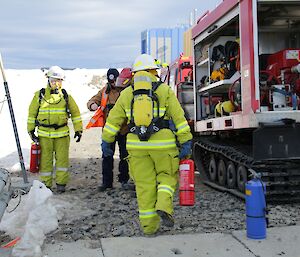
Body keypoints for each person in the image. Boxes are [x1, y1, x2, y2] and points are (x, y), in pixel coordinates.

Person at [101, 54, 193, 235]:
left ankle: (149, 227)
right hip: (163, 145)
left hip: (136, 146)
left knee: (144, 186)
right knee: (167, 176)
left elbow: (113, 120)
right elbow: (179, 118)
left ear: (134, 73)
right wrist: (185, 141)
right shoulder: (164, 90)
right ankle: (164, 205)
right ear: (153, 71)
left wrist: (107, 141)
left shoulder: (127, 93)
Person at [27, 66, 83, 193]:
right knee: (45, 161)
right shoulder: (39, 95)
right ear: (48, 80)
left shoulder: (66, 96)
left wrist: (78, 130)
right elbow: (31, 114)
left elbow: (75, 113)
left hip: (62, 135)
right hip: (44, 135)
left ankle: (61, 184)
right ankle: (46, 185)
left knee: (62, 160)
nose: (56, 83)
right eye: (53, 80)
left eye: (59, 80)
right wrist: (31, 130)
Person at [87, 68, 133, 191]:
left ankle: (124, 180)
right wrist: (92, 105)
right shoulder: (104, 91)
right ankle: (107, 183)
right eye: (111, 81)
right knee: (107, 157)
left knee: (125, 156)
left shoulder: (126, 91)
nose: (113, 84)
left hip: (124, 130)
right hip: (108, 131)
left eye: (115, 81)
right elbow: (92, 100)